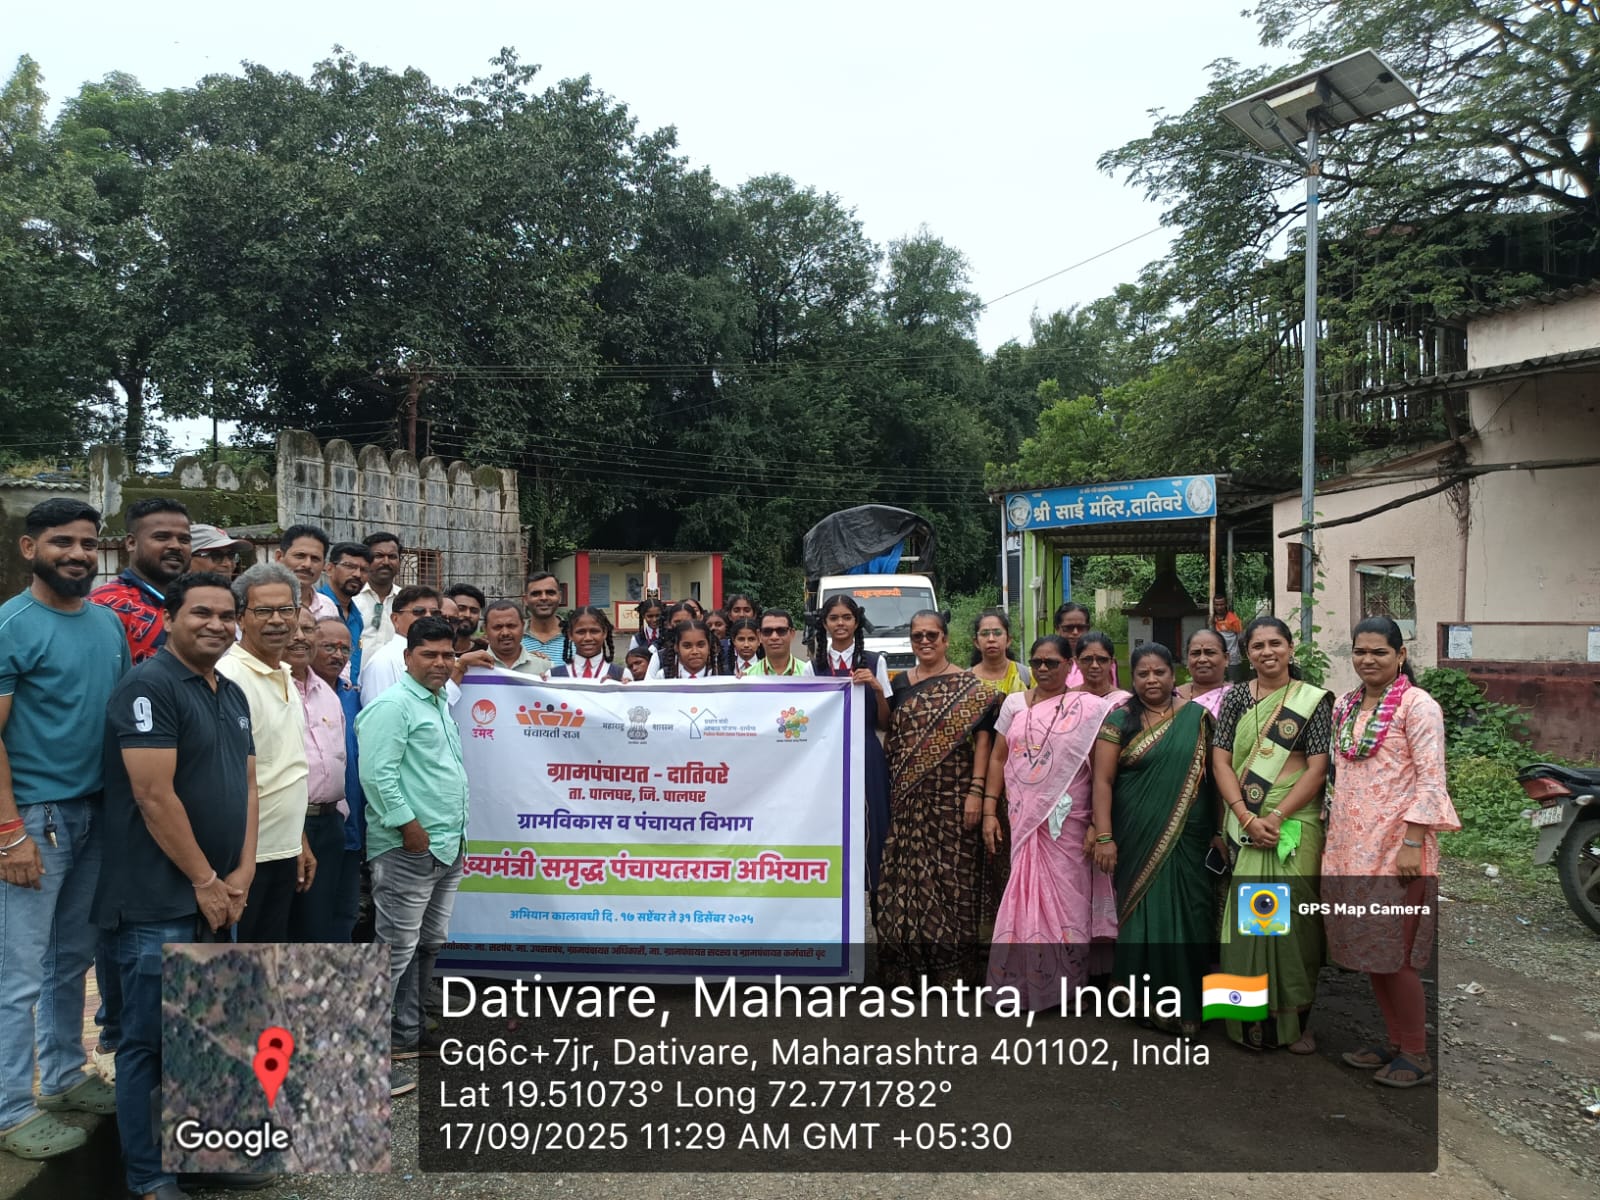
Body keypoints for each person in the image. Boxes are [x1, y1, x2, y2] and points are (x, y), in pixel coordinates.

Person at [96, 572, 256, 1200]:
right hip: (157, 899)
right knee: (150, 1043)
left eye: (226, 615)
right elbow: (153, 795)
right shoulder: (149, 687)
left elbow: (249, 786)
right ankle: (150, 1176)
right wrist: (205, 879)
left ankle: (206, 1157)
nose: (216, 624)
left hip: (220, 894)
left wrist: (241, 872)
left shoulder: (230, 691)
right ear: (169, 619)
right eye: (201, 613)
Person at [0, 499, 128, 1161]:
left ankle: (64, 1076)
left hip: (95, 813)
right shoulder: (11, 626)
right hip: (34, 818)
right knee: (17, 970)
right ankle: (9, 1111)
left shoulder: (107, 624)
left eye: (87, 542)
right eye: (61, 542)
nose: (77, 553)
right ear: (30, 549)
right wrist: (9, 833)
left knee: (70, 959)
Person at [1325, 616, 1459, 1089]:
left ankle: (1416, 1054)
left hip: (1397, 850)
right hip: (1351, 849)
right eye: (1360, 651)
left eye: (1379, 652)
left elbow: (1431, 780)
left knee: (1397, 956)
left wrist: (1413, 843)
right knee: (1372, 951)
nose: (1368, 660)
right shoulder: (1345, 705)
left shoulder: (1418, 706)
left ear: (1400, 655)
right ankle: (1395, 1041)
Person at [357, 616, 469, 1098]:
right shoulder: (393, 706)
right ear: (407, 657)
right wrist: (408, 826)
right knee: (394, 950)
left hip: (446, 844)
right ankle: (364, 1057)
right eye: (429, 654)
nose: (440, 662)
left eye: (447, 654)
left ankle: (407, 1034)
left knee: (428, 944)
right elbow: (376, 775)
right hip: (408, 847)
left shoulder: (438, 702)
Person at [1212, 615, 1333, 1053]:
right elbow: (1221, 760)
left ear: (1290, 648)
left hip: (1294, 822)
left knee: (1293, 925)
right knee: (1252, 923)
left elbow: (1318, 767)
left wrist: (1279, 814)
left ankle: (1295, 1022)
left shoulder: (1312, 700)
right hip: (1248, 820)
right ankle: (1250, 1021)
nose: (1267, 652)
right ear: (1247, 654)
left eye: (1275, 643)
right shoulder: (1236, 698)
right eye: (1258, 645)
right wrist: (1245, 816)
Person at [1090, 643, 1220, 1033]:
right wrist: (1104, 836)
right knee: (1143, 912)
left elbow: (1213, 781)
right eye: (1143, 673)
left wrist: (1218, 831)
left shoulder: (1198, 718)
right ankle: (1141, 1001)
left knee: (1191, 914)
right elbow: (1102, 781)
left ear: (1173, 674)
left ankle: (1187, 1005)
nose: (1151, 680)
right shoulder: (1119, 720)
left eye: (1159, 672)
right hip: (1135, 834)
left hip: (1191, 836)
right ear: (1132, 678)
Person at [982, 635, 1114, 1010]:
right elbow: (998, 758)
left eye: (1052, 662)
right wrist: (989, 810)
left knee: (1070, 903)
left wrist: (1097, 825)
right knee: (1024, 897)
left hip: (1071, 823)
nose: (1043, 669)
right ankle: (1023, 984)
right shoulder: (1014, 704)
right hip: (1025, 818)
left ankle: (1069, 988)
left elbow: (1100, 771)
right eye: (1037, 662)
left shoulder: (1088, 708)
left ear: (1069, 665)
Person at [876, 611, 1000, 985]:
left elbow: (983, 741)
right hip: (907, 798)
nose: (925, 642)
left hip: (953, 795)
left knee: (953, 878)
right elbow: (889, 730)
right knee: (905, 878)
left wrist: (976, 791)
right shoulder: (899, 683)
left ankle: (954, 971)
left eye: (932, 635)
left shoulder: (970, 686)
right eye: (918, 636)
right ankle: (906, 969)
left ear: (945, 639)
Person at [217, 563, 313, 943]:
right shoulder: (230, 677)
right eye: (263, 611)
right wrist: (242, 865)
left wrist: (298, 839)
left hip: (282, 851)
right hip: (245, 859)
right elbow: (229, 778)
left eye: (286, 610)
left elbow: (286, 768)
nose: (277, 620)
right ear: (241, 617)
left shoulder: (284, 672)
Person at [812, 596, 892, 892]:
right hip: (828, 755)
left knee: (873, 818)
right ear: (825, 623)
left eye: (846, 617)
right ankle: (835, 889)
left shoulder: (874, 661)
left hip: (867, 750)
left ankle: (875, 889)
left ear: (856, 622)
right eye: (834, 618)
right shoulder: (813, 667)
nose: (840, 623)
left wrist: (877, 689)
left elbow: (885, 723)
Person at [286, 606, 350, 942]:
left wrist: (338, 814)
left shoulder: (328, 693)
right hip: (286, 826)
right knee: (280, 927)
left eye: (308, 630)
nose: (300, 637)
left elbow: (338, 756)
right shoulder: (268, 687)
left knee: (318, 927)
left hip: (329, 823)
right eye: (293, 629)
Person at [311, 617, 366, 943]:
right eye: (329, 647)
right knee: (313, 918)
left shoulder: (353, 697)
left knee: (345, 913)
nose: (338, 655)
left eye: (345, 649)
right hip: (312, 828)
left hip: (351, 826)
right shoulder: (296, 692)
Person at [91, 497, 192, 665]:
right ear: (131, 543)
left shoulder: (196, 602)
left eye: (184, 540)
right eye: (162, 537)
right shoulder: (106, 606)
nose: (176, 546)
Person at [360, 586, 461, 705]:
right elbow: (380, 712)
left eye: (435, 613)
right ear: (395, 619)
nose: (428, 617)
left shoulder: (443, 656)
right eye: (419, 612)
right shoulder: (384, 662)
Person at [318, 542, 369, 681]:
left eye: (364, 570)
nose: (357, 574)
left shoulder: (357, 617)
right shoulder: (315, 609)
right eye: (349, 566)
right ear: (329, 569)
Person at [354, 532, 402, 660]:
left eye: (392, 556)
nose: (386, 562)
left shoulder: (406, 601)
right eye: (378, 556)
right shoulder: (351, 598)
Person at [275, 524, 338, 621]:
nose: (307, 564)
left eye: (315, 559)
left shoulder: (328, 607)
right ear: (279, 557)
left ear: (323, 565)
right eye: (300, 556)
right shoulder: (259, 601)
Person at [479, 600, 553, 676]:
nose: (505, 633)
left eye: (511, 626)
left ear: (523, 626)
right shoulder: (475, 667)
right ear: (485, 629)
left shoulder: (544, 667)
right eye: (498, 627)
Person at [551, 608, 627, 680]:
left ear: (604, 633)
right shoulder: (553, 676)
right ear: (570, 635)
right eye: (581, 632)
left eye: (594, 631)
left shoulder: (622, 675)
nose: (588, 638)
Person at [968, 608, 1031, 694]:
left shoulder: (1027, 676)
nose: (991, 639)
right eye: (984, 634)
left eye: (997, 633)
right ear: (976, 642)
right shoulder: (966, 681)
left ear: (1008, 640)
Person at [1175, 627, 1230, 715]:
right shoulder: (1174, 696)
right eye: (1195, 653)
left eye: (1210, 653)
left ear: (1226, 658)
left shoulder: (1238, 697)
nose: (1202, 659)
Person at [743, 609, 814, 677]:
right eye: (767, 631)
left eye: (781, 630)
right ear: (759, 636)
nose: (774, 637)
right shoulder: (748, 677)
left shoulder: (809, 674)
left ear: (792, 634)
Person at [520, 573, 568, 663]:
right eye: (536, 594)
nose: (544, 598)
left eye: (550, 593)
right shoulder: (513, 637)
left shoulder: (576, 636)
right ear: (525, 600)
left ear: (560, 597)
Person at [1071, 631, 1130, 703]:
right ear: (1077, 662)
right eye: (1087, 659)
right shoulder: (1068, 699)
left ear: (1112, 662)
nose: (1094, 665)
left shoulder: (1123, 701)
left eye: (1102, 660)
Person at [654, 620, 722, 679]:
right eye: (687, 646)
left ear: (709, 646)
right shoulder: (663, 676)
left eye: (701, 645)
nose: (695, 651)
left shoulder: (721, 675)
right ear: (677, 648)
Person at [1211, 595, 1244, 676]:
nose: (1219, 607)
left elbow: (1240, 637)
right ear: (1214, 605)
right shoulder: (1212, 619)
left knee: (1233, 679)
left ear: (1226, 604)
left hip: (1232, 656)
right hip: (1218, 655)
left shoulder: (1233, 619)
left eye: (1221, 604)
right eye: (1217, 605)